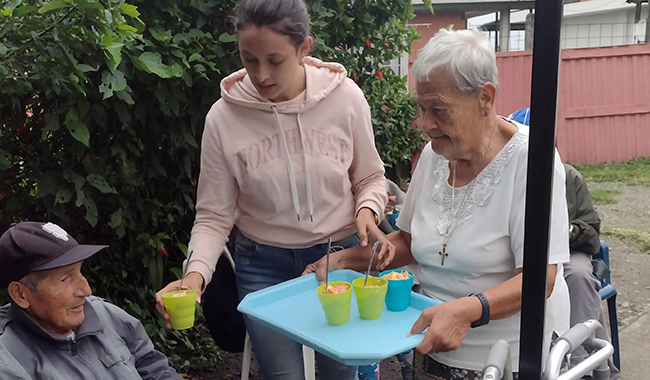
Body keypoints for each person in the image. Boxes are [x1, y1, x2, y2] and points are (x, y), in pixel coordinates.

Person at [304, 27, 571, 380]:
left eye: (439, 110)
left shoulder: (532, 162)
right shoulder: (435, 153)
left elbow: (541, 279)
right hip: (428, 340)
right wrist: (341, 261)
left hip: (508, 360)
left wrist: (467, 310)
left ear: (485, 98)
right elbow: (410, 242)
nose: (425, 124)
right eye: (421, 107)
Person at [154, 0, 391, 379]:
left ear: (304, 48)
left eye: (275, 60)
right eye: (249, 59)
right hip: (263, 266)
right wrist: (193, 277)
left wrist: (367, 211)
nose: (260, 74)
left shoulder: (346, 99)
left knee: (340, 373)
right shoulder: (222, 118)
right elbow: (214, 215)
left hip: (338, 260)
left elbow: (370, 178)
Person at [509, 109, 621, 380]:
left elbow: (591, 232)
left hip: (568, 252)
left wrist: (566, 230)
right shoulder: (509, 176)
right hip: (520, 252)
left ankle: (584, 365)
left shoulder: (570, 177)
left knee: (578, 275)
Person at [0, 221, 183, 380]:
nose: (86, 291)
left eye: (80, 271)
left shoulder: (103, 313)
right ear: (20, 294)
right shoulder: (9, 360)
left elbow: (153, 368)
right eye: (65, 279)